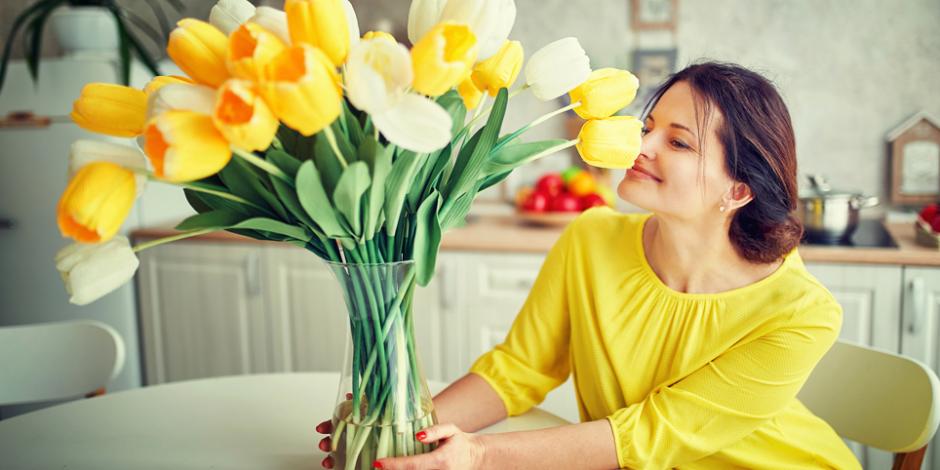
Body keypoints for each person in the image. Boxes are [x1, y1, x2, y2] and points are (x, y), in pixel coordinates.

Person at [316, 61, 863, 469]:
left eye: (677, 142)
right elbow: (519, 370)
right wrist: (400, 427)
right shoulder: (591, 238)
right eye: (647, 126)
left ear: (738, 188)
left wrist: (478, 455)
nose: (639, 144)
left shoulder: (801, 314)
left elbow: (651, 435)